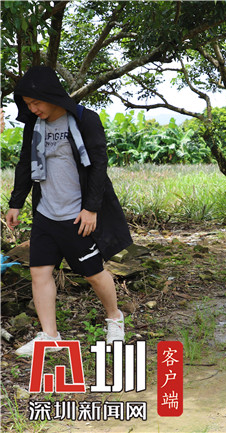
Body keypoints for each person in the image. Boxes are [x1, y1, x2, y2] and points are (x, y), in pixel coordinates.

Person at [6, 66, 133, 356]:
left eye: (36, 102)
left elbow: (98, 165)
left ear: (51, 96)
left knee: (93, 273)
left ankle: (115, 318)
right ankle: (50, 336)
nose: (33, 109)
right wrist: (16, 203)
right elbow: (25, 163)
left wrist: (91, 209)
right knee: (39, 272)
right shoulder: (34, 125)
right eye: (27, 105)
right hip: (45, 213)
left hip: (77, 214)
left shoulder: (85, 119)